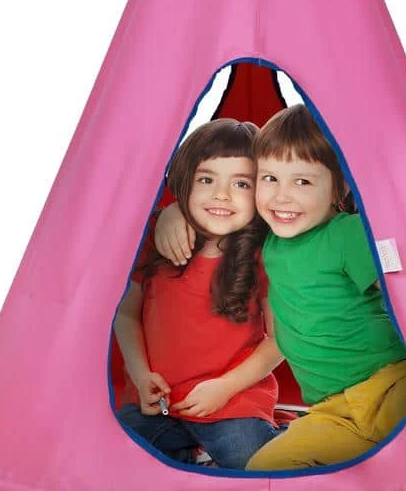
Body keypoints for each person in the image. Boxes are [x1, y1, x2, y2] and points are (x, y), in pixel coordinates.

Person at [155, 105, 406, 470]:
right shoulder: (270, 236)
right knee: (263, 471)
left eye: (302, 182)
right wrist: (173, 212)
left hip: (388, 385)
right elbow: (222, 211)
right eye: (269, 178)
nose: (281, 197)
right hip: (332, 411)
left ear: (340, 185)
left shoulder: (347, 234)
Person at [113, 118, 283, 470]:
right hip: (159, 403)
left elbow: (281, 340)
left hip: (232, 401)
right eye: (206, 180)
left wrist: (225, 387)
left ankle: (273, 439)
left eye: (241, 183)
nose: (222, 194)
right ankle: (195, 456)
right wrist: (141, 376)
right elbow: (126, 314)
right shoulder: (153, 239)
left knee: (250, 460)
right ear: (185, 182)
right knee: (119, 458)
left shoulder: (265, 254)